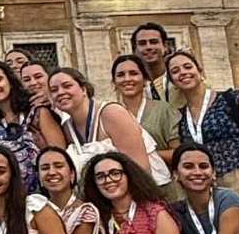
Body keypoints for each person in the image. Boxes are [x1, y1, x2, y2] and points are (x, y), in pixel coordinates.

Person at [166, 49, 239, 220]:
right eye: (175, 71)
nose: (183, 73)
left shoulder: (231, 99)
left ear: (199, 71)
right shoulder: (179, 116)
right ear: (173, 81)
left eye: (188, 67)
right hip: (202, 183)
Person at [0, 60, 65, 194]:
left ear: (10, 82)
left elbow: (59, 153)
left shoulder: (38, 112)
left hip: (49, 189)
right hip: (14, 195)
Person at [49, 67, 156, 178]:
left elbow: (140, 167)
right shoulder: (67, 128)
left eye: (67, 86)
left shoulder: (111, 113)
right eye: (54, 90)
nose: (60, 92)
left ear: (84, 89)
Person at [109, 55, 178, 187]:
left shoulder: (163, 110)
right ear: (114, 83)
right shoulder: (110, 115)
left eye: (133, 73)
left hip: (163, 187)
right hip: (125, 188)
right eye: (121, 75)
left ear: (145, 79)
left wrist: (143, 154)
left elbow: (177, 152)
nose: (127, 79)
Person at [37, 146, 101, 234]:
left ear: (71, 174)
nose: (51, 172)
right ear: (39, 178)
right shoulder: (34, 209)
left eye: (59, 166)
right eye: (45, 168)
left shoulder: (85, 212)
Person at [130, 22, 176, 101]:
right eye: (142, 43)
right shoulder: (131, 85)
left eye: (154, 42)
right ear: (135, 49)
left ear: (165, 46)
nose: (148, 47)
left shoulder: (178, 80)